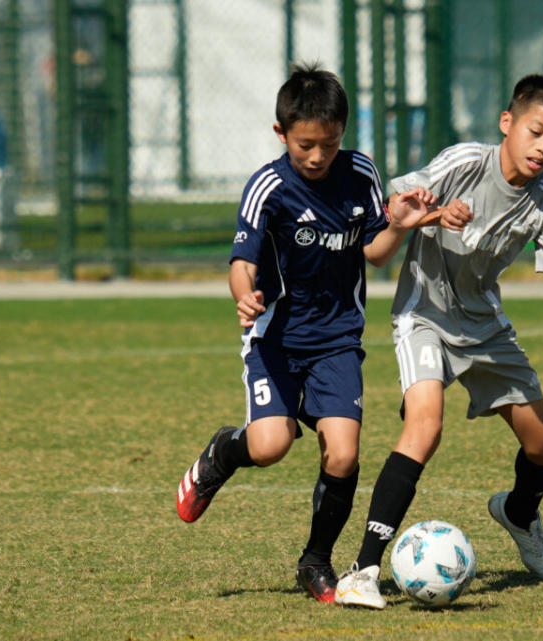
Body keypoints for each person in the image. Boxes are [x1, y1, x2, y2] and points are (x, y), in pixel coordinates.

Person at [334, 75, 543, 609]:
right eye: (536, 131)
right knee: (424, 427)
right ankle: (362, 570)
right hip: (422, 314)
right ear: (508, 123)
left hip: (484, 325)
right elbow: (396, 207)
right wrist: (432, 211)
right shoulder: (465, 163)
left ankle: (519, 514)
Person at [175, 63, 437, 603]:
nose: (317, 156)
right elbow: (241, 261)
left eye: (329, 142)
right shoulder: (268, 187)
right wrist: (243, 294)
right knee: (270, 445)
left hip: (338, 339)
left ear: (343, 132)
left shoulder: (361, 173)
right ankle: (224, 452)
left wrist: (401, 227)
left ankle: (316, 560)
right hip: (275, 338)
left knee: (342, 456)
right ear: (281, 135)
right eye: (305, 145)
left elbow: (374, 254)